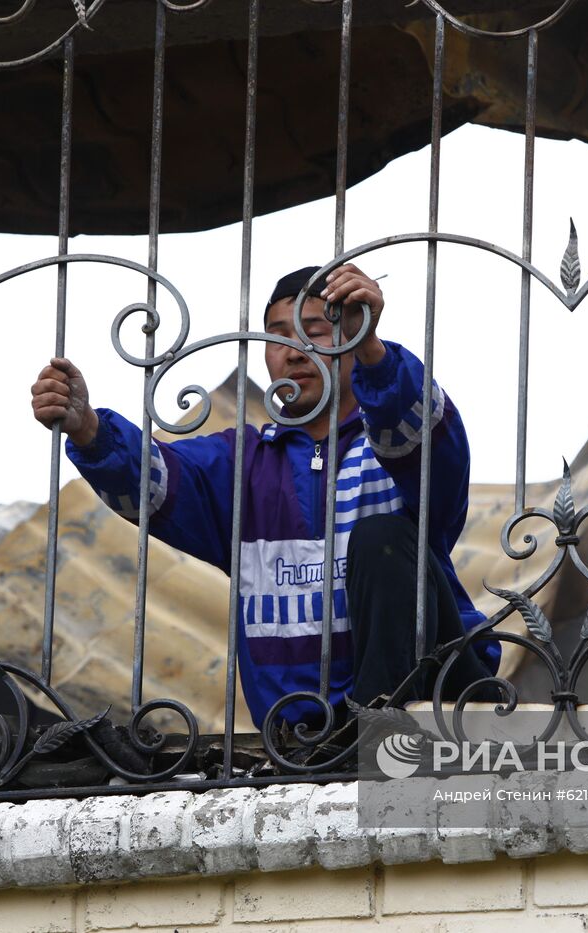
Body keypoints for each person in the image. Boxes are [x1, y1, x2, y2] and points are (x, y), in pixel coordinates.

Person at [29, 264, 498, 730]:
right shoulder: (242, 463)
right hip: (303, 739)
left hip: (439, 707)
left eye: (317, 332)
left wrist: (373, 351)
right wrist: (88, 428)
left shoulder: (394, 444)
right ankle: (353, 742)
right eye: (277, 337)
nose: (294, 352)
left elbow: (429, 439)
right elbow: (154, 481)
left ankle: (375, 727)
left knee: (384, 538)